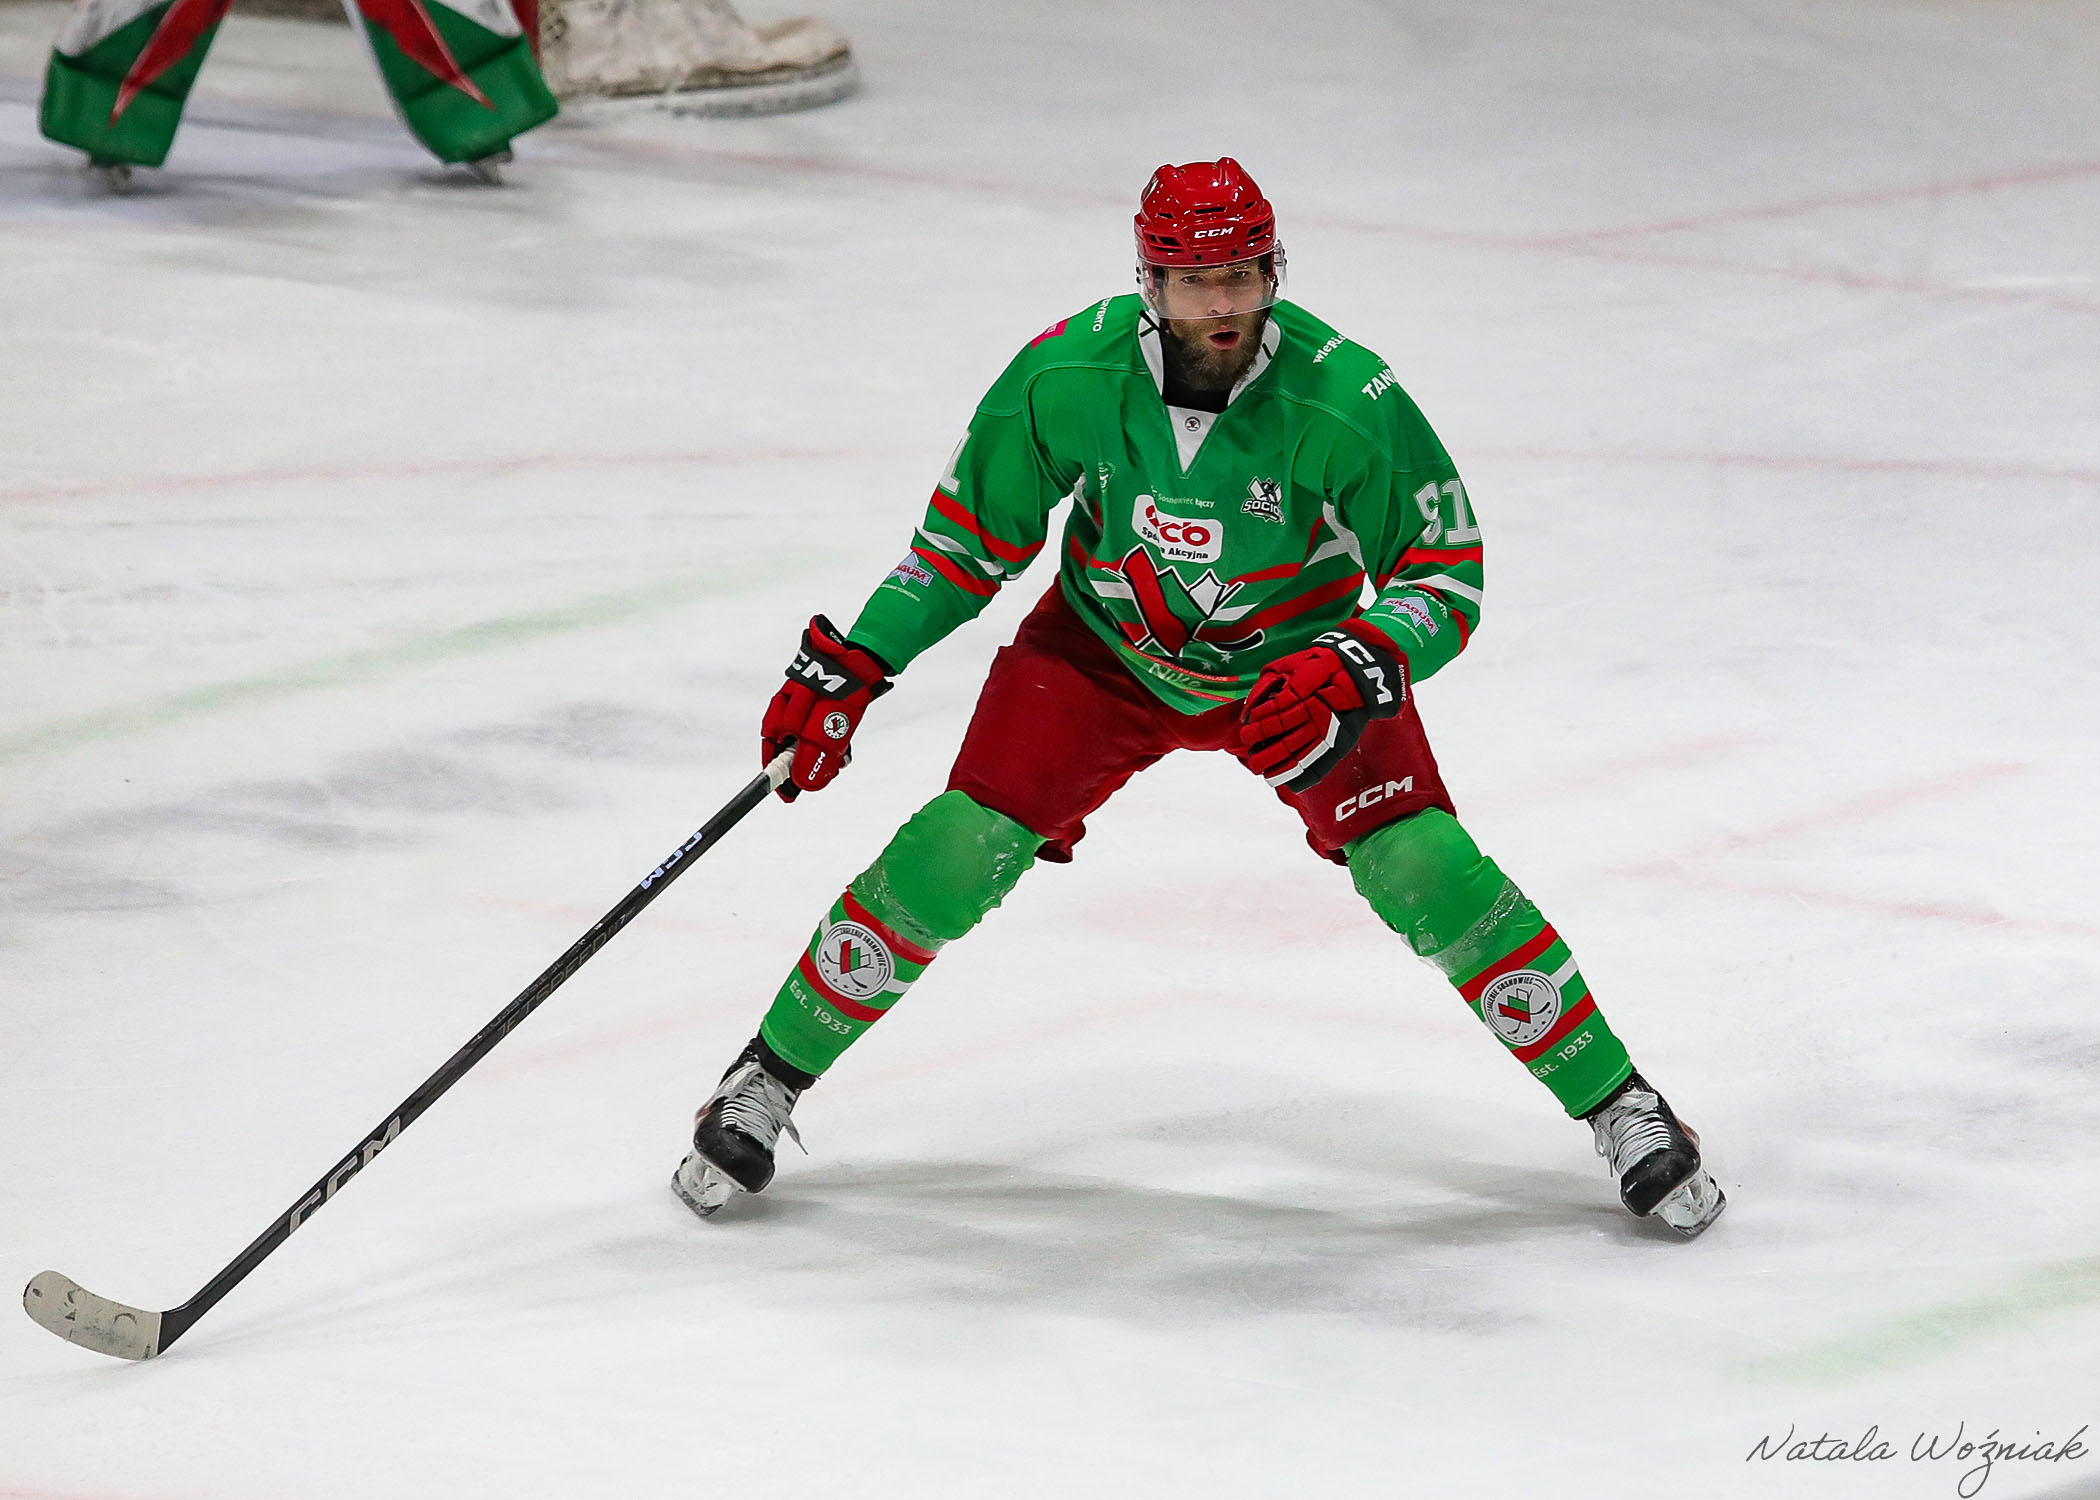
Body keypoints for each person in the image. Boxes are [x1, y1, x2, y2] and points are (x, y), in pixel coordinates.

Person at [672, 157, 1726, 1238]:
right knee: (959, 844)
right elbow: (963, 543)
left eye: (1243, 275)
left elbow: (1443, 571)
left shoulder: (1345, 396)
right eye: (1194, 280)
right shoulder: (1065, 374)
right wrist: (854, 662)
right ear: (1150, 283)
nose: (1222, 303)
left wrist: (1358, 661)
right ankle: (764, 1080)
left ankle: (1623, 1106)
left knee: (1423, 865)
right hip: (1101, 659)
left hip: (1297, 682)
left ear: (1274, 270)